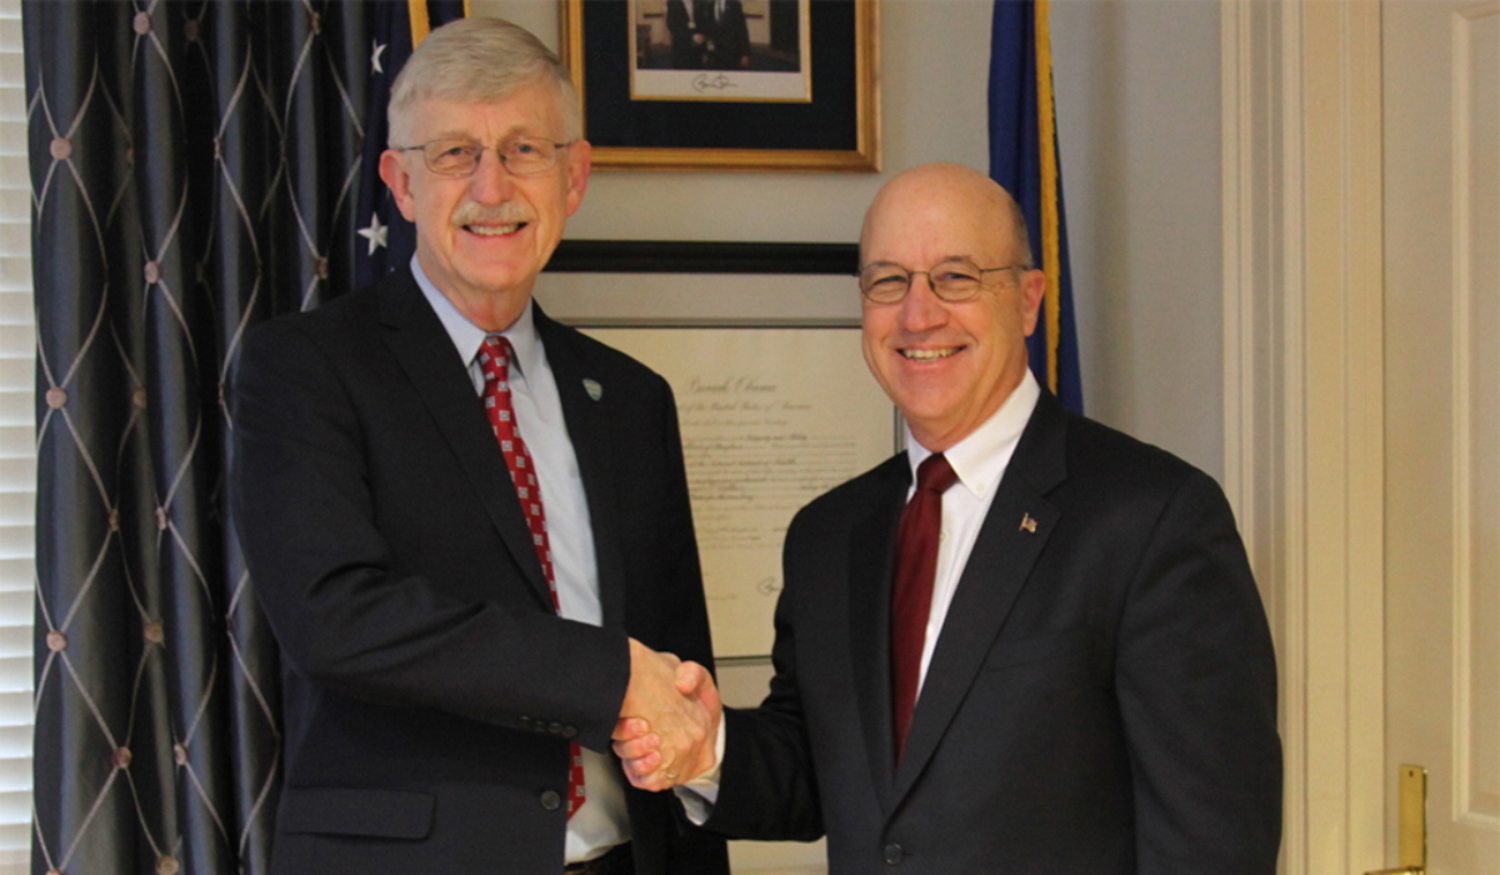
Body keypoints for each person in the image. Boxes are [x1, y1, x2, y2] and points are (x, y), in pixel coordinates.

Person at [616, 163, 1283, 873]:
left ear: (1027, 302)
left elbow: (1213, 844)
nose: (918, 314)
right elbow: (817, 773)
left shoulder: (1154, 519)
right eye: (888, 281)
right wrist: (706, 747)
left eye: (956, 277)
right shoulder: (827, 535)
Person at [231, 18, 726, 875]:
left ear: (574, 177)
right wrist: (604, 676)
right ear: (401, 182)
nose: (492, 188)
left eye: (524, 149)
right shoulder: (305, 368)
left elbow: (678, 673)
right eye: (455, 153)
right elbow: (336, 617)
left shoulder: (634, 400)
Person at [696, 0, 751, 70]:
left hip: (732, 53)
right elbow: (707, 29)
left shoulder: (734, 5)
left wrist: (745, 53)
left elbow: (742, 30)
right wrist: (704, 50)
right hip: (715, 54)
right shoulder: (709, 6)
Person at [665, 0, 707, 69]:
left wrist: (702, 37)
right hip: (681, 47)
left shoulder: (698, 2)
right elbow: (672, 25)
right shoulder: (673, 3)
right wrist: (691, 37)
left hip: (697, 48)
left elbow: (703, 22)